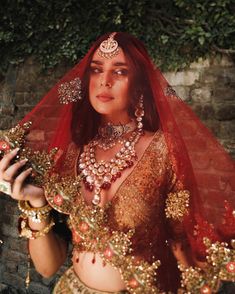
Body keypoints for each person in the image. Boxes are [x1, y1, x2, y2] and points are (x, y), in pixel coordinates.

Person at [0, 32, 235, 293]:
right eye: (96, 70)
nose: (104, 81)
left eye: (120, 72)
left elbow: (181, 244)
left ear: (139, 84)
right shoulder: (70, 153)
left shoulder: (164, 150)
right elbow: (47, 268)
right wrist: (36, 202)